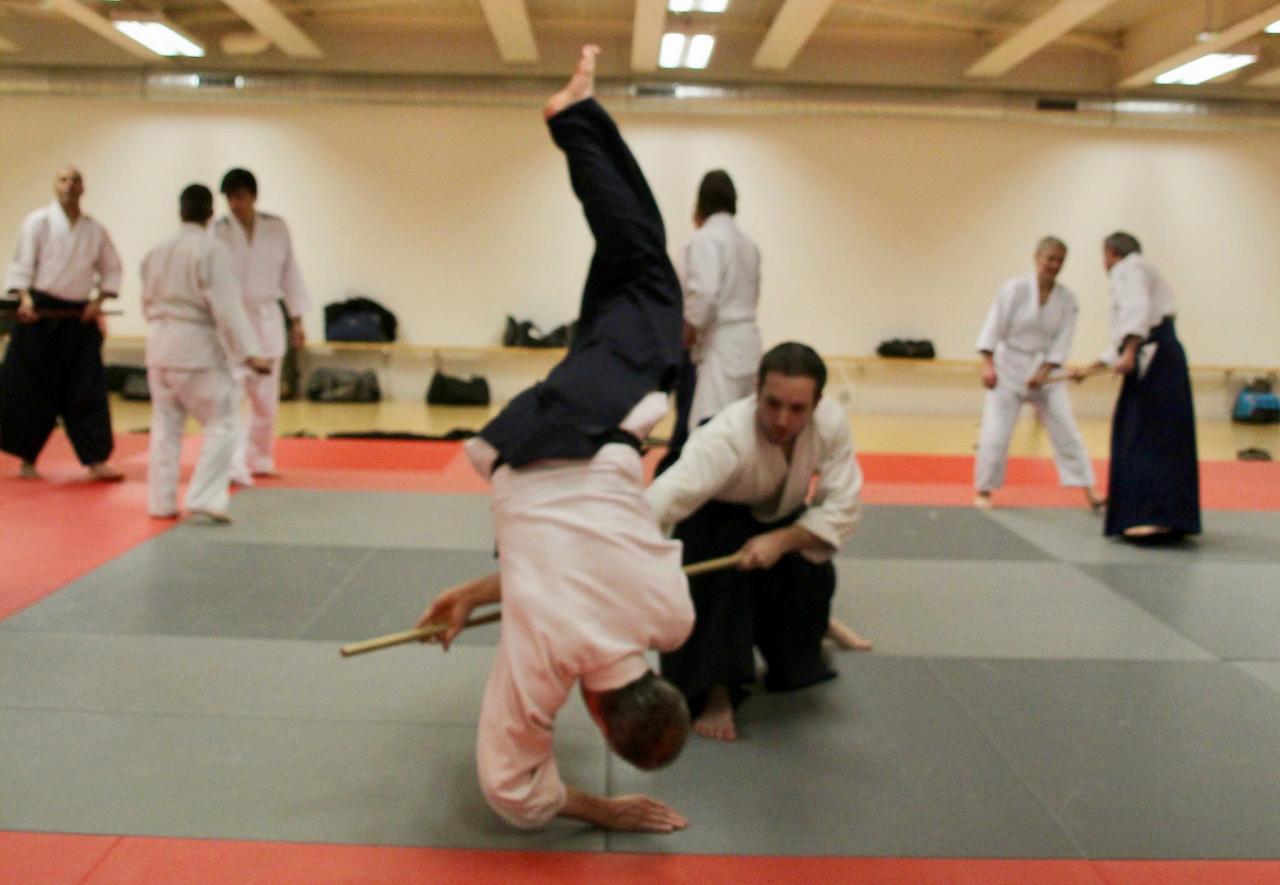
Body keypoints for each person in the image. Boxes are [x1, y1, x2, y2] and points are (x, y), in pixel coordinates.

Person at [415, 46, 694, 835]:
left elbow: (584, 576)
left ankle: (574, 117)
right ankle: (580, 114)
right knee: (629, 271)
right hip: (528, 444)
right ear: (597, 719)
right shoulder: (539, 661)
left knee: (646, 273)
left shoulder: (671, 618)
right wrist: (598, 806)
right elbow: (513, 790)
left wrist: (484, 593)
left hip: (597, 419)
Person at [645, 342, 863, 742]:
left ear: (816, 404)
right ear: (756, 390)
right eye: (772, 403)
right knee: (720, 582)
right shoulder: (724, 438)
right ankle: (716, 690)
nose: (782, 419)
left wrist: (780, 541)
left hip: (781, 514)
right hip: (712, 512)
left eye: (797, 409)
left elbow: (843, 505)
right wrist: (623, 563)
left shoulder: (830, 425)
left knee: (810, 576)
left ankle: (816, 629)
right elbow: (661, 502)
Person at [141, 185, 272, 523]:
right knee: (223, 422)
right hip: (195, 347)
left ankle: (161, 502)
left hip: (158, 345)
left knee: (165, 428)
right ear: (210, 214)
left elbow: (145, 301)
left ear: (180, 211)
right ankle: (204, 496)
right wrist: (250, 353)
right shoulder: (211, 250)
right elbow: (227, 308)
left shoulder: (156, 250)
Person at [1070, 232, 1200, 540]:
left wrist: (1129, 351)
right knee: (1153, 436)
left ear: (1111, 252)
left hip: (1155, 362)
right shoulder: (1140, 269)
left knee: (1147, 437)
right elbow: (1130, 330)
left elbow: (1137, 312)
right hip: (1156, 357)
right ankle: (1162, 515)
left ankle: (1154, 515)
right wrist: (1089, 369)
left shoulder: (1129, 268)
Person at [1, 166, 124, 481]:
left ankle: (95, 459)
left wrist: (98, 302)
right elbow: (21, 265)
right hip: (40, 315)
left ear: (83, 188)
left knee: (87, 389)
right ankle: (27, 459)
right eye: (64, 180)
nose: (70, 185)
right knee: (30, 389)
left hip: (78, 318)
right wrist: (25, 298)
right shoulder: (38, 222)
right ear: (55, 186)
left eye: (75, 180)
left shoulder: (94, 230)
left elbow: (112, 269)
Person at [973, 236, 1102, 511]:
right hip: (1008, 366)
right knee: (995, 433)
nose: (1054, 265)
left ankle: (1090, 491)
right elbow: (993, 328)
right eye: (1050, 259)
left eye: (1060, 260)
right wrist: (988, 365)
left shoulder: (1067, 300)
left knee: (1067, 431)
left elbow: (1062, 341)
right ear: (1037, 258)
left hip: (1046, 370)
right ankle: (984, 489)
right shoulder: (1014, 290)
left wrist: (1044, 371)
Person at [656, 169, 762, 471]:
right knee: (741, 426)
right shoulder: (748, 244)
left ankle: (706, 490)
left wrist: (688, 330)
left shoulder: (705, 239)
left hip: (720, 346)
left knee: (710, 430)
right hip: (747, 342)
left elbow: (704, 294)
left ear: (700, 204)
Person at [214, 167, 310, 484]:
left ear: (253, 197)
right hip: (232, 320)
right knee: (232, 396)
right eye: (230, 198)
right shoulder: (218, 231)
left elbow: (291, 274)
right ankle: (231, 465)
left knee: (265, 401)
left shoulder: (276, 228)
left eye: (240, 197)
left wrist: (297, 321)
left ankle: (260, 458)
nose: (235, 204)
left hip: (267, 316)